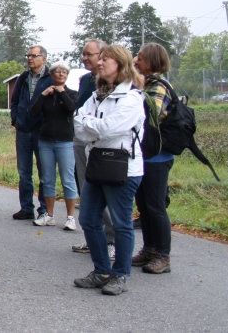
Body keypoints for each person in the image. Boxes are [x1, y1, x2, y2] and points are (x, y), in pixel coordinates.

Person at [72, 44, 144, 296]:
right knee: (88, 219)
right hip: (97, 164)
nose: (99, 63)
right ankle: (101, 270)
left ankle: (120, 274)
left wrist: (91, 124)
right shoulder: (96, 95)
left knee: (121, 223)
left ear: (120, 64)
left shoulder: (132, 98)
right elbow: (78, 125)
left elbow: (110, 128)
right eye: (99, 58)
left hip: (123, 168)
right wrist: (94, 126)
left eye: (106, 59)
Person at [132, 42, 176, 274]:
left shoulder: (158, 86)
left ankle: (163, 255)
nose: (136, 61)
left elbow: (150, 115)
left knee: (155, 206)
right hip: (144, 155)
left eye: (140, 58)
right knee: (144, 206)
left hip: (158, 157)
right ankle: (149, 249)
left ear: (151, 61)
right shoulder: (145, 84)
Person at [71, 39, 115, 256]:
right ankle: (94, 237)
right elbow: (80, 111)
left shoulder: (113, 82)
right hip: (81, 139)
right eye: (84, 54)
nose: (85, 58)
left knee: (104, 190)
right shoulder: (85, 80)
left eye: (90, 54)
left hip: (102, 143)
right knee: (86, 189)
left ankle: (111, 239)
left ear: (103, 55)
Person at [29, 61, 79, 230]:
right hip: (46, 141)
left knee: (68, 179)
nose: (60, 74)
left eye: (64, 72)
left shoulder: (72, 93)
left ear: (67, 75)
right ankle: (49, 215)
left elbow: (71, 109)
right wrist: (43, 95)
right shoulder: (46, 94)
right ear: (51, 75)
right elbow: (33, 112)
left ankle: (70, 217)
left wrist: (62, 92)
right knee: (47, 179)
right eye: (57, 72)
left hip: (65, 141)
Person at [10, 45, 52, 220]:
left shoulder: (50, 78)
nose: (29, 58)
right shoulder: (23, 77)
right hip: (23, 130)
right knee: (24, 172)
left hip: (41, 132)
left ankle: (44, 209)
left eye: (33, 56)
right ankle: (26, 208)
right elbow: (15, 101)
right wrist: (15, 120)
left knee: (44, 172)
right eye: (28, 55)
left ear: (43, 58)